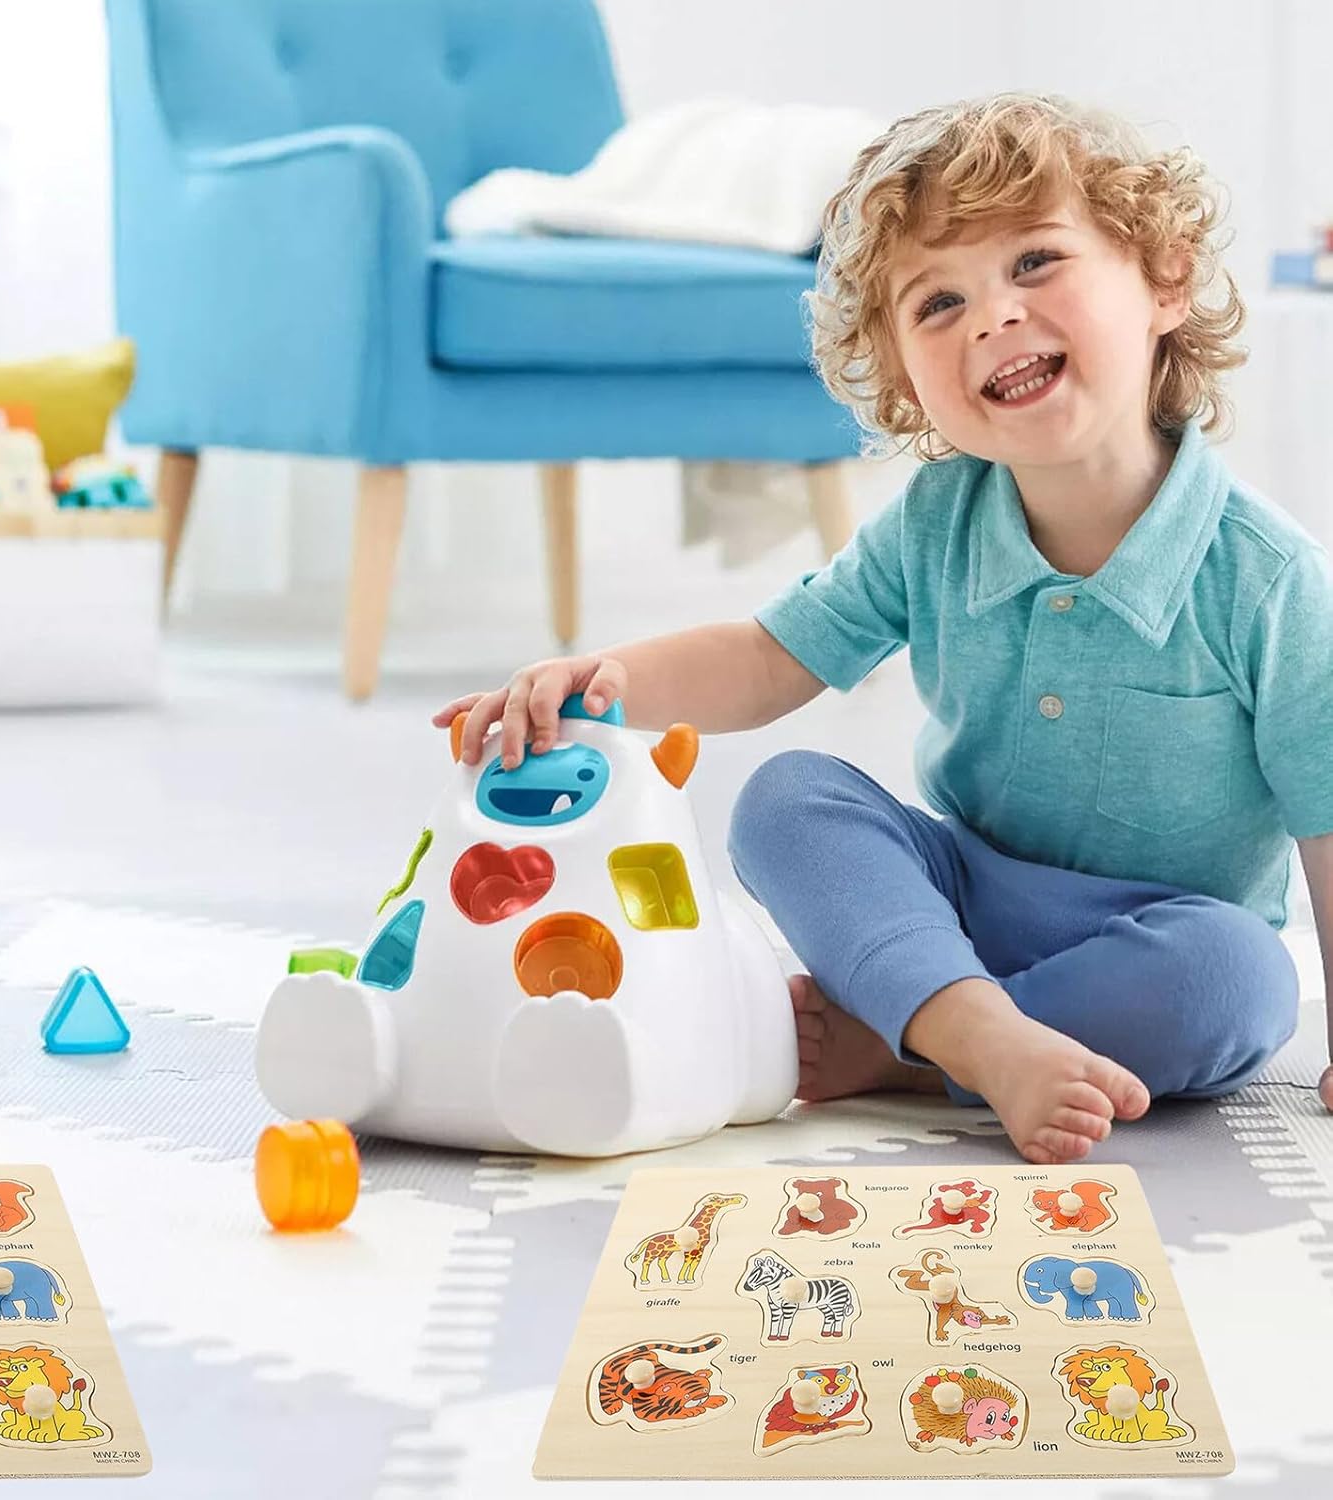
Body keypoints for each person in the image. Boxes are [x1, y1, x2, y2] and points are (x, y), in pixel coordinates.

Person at [433, 93, 1333, 1164]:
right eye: (939, 302)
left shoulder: (1267, 577)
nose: (993, 316)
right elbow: (769, 660)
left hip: (1163, 936)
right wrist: (596, 682)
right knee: (787, 798)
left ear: (1165, 281)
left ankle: (917, 1042)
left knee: (1239, 980)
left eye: (1036, 262)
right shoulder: (936, 521)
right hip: (959, 896)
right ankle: (968, 1025)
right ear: (905, 377)